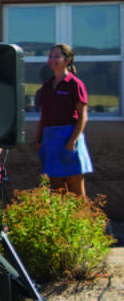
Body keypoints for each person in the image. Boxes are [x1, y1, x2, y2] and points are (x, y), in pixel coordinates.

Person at [35, 43, 92, 197]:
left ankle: (84, 221)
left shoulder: (75, 84)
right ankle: (62, 221)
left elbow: (82, 117)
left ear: (68, 60)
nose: (52, 60)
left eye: (57, 56)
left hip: (69, 137)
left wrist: (72, 141)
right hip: (50, 140)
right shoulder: (46, 87)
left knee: (76, 193)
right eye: (50, 56)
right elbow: (43, 117)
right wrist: (39, 140)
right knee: (58, 192)